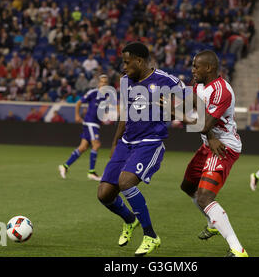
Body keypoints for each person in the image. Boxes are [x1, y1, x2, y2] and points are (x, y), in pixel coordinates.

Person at [96, 42, 184, 256]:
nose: (123, 67)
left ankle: (151, 236)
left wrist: (169, 109)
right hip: (126, 143)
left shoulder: (168, 81)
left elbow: (191, 112)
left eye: (127, 62)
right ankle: (129, 220)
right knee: (104, 194)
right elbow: (126, 112)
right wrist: (116, 141)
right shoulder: (126, 80)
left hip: (150, 142)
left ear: (140, 61)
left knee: (125, 183)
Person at [177, 50, 248, 257]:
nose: (193, 70)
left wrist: (177, 115)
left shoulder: (221, 91)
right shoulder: (199, 84)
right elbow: (190, 104)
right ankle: (214, 223)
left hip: (224, 147)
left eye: (196, 66)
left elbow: (203, 124)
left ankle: (238, 249)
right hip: (210, 144)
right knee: (188, 186)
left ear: (209, 68)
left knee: (205, 197)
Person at [58, 75, 109, 181]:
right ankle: (91, 172)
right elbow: (79, 102)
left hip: (96, 123)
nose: (103, 84)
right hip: (90, 123)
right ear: (98, 83)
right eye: (102, 82)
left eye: (105, 82)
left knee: (83, 147)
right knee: (96, 144)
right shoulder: (93, 93)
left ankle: (64, 166)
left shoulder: (107, 96)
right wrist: (77, 115)